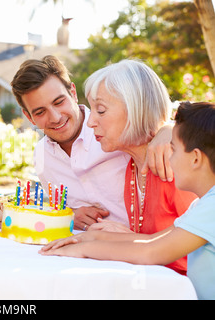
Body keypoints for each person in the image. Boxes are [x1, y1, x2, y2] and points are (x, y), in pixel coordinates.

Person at [40, 101, 215, 300]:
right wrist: (89, 238)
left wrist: (84, 249)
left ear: (195, 159)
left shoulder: (211, 208)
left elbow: (152, 252)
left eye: (173, 150)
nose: (168, 158)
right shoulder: (201, 205)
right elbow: (151, 240)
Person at [42, 59, 198, 275]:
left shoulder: (172, 165)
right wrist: (116, 236)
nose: (90, 122)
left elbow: (194, 255)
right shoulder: (132, 168)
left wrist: (100, 244)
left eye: (101, 111)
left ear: (136, 109)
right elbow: (157, 241)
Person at [11, 55, 173, 231]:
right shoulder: (43, 156)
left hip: (146, 246)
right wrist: (70, 215)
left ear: (73, 93)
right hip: (89, 250)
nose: (55, 117)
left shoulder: (117, 131)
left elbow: (151, 114)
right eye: (40, 112)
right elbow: (56, 210)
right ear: (29, 117)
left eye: (59, 102)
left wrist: (168, 129)